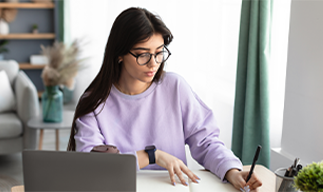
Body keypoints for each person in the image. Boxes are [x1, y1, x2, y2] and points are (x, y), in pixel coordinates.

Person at [67, 7, 262, 191]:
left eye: (159, 53)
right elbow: (91, 166)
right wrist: (152, 156)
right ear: (119, 54)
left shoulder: (175, 87)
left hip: (172, 188)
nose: (153, 63)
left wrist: (232, 171)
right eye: (143, 55)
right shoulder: (94, 102)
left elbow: (206, 142)